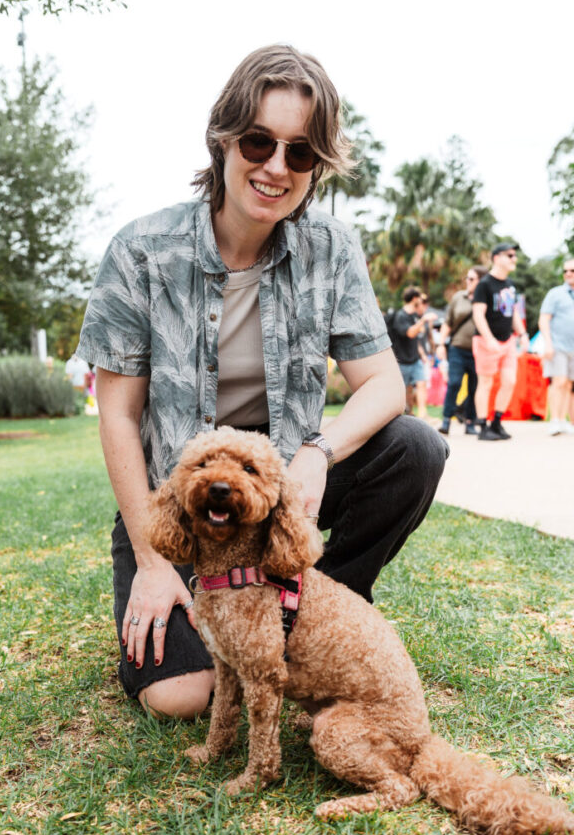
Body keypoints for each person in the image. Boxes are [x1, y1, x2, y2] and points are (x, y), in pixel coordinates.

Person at [77, 44, 448, 720]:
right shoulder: (140, 251)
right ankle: (217, 617)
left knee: (416, 448)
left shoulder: (331, 250)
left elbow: (385, 386)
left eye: (300, 153)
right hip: (187, 506)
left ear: (317, 166)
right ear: (223, 138)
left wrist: (317, 452)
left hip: (281, 496)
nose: (276, 167)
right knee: (180, 697)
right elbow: (118, 416)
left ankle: (317, 619)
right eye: (259, 142)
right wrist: (154, 564)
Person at [471, 243, 529, 440]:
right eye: (509, 255)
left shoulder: (509, 284)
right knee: (485, 382)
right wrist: (489, 339)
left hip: (508, 340)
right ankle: (482, 426)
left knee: (509, 381)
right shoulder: (485, 284)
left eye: (514, 255)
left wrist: (522, 334)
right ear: (496, 258)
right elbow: (478, 314)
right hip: (486, 341)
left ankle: (496, 422)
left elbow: (512, 312)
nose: (514, 259)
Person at [436, 265, 489, 435]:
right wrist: (441, 344)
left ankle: (470, 422)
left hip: (478, 351)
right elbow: (447, 322)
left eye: (471, 279)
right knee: (454, 383)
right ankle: (446, 420)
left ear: (481, 281)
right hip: (457, 348)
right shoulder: (459, 297)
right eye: (467, 278)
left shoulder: (487, 299)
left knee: (475, 387)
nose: (467, 281)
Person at [538, 259, 574, 435]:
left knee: (568, 384)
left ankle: (564, 420)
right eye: (565, 270)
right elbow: (544, 319)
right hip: (557, 345)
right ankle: (555, 420)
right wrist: (548, 344)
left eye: (572, 270)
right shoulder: (555, 293)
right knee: (558, 381)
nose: (568, 273)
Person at [391, 287, 437, 420]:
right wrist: (423, 321)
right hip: (402, 359)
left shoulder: (415, 316)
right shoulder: (401, 316)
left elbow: (417, 338)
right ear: (414, 299)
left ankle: (423, 414)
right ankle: (409, 414)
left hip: (415, 358)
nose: (422, 302)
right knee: (406, 390)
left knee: (421, 383)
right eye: (420, 299)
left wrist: (422, 353)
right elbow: (410, 333)